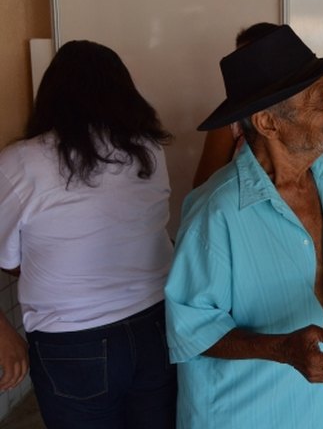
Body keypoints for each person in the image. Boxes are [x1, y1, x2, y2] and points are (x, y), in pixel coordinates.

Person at [164, 23, 323, 428]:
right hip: (247, 410)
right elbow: (191, 330)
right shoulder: (216, 213)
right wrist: (283, 349)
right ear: (268, 123)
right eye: (319, 96)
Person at [0, 40, 177, 428]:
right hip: (156, 327)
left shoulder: (21, 162)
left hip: (73, 342)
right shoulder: (148, 150)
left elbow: (12, 261)